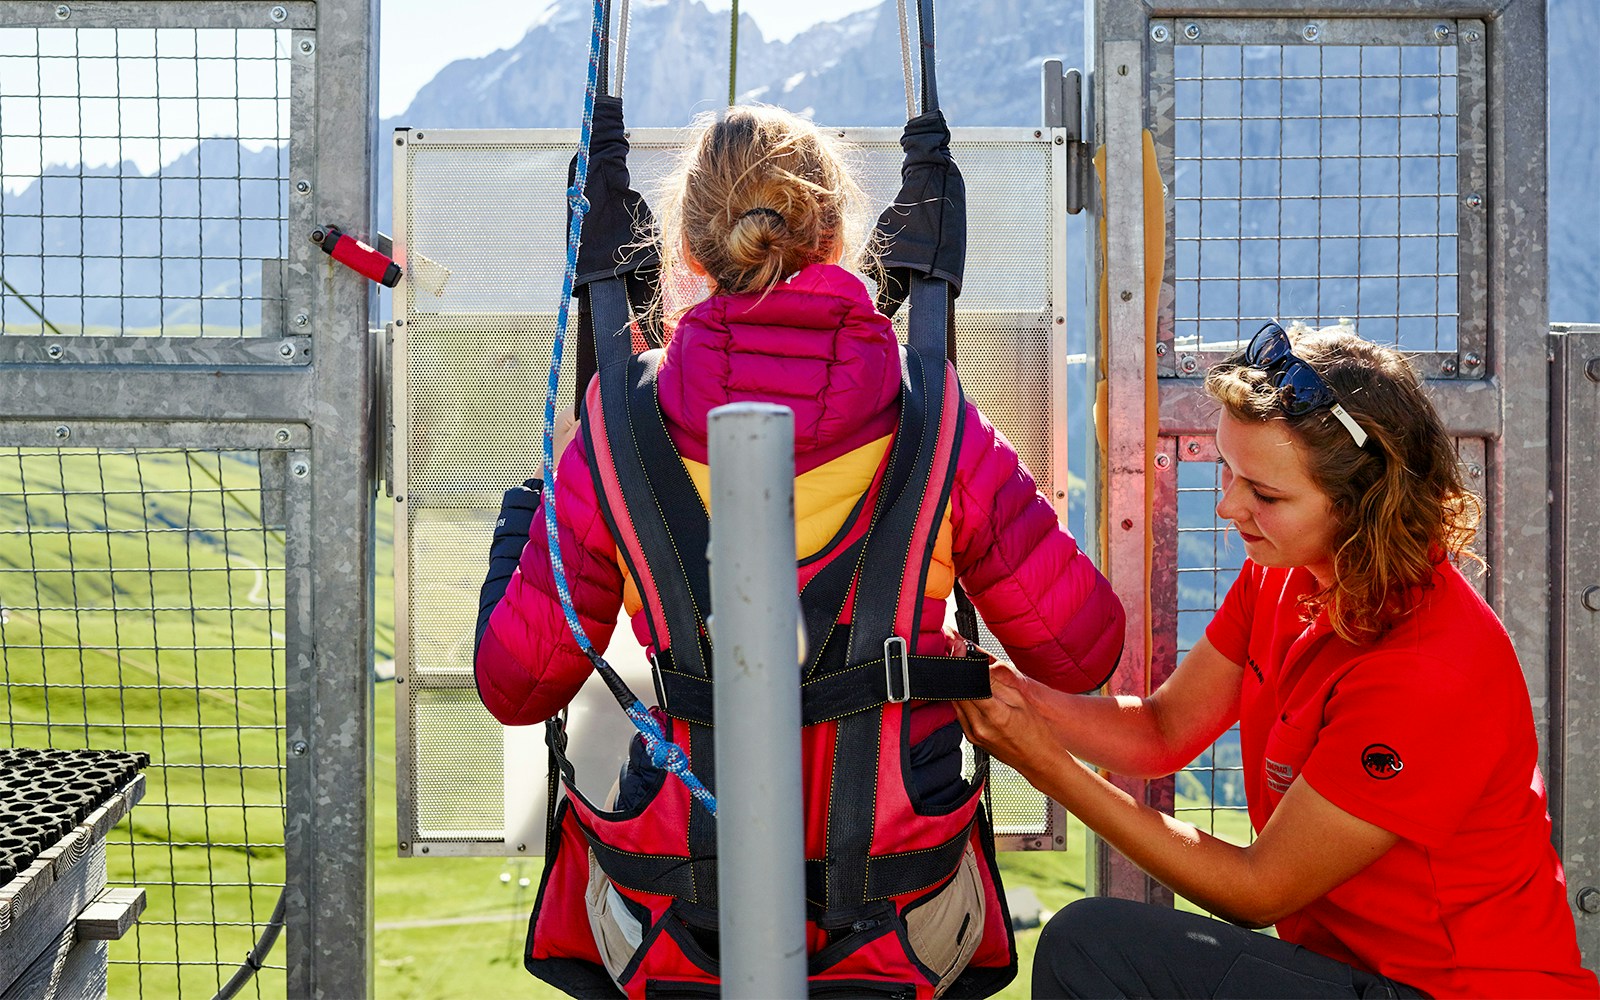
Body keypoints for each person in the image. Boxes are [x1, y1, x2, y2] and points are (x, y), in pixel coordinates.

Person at [475, 104, 1125, 997]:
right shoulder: (939, 426)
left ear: (689, 254)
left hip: (675, 924)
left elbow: (515, 686)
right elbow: (1081, 651)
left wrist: (527, 526)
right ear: (837, 234)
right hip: (905, 921)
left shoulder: (616, 434)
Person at [957, 322, 1600, 999]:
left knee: (1091, 948)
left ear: (1362, 509)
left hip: (1454, 992)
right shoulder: (1288, 574)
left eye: (1265, 495)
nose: (1231, 504)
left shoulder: (1426, 668)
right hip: (1352, 973)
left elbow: (1258, 891)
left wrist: (1043, 764)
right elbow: (1161, 730)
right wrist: (1010, 695)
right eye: (1228, 470)